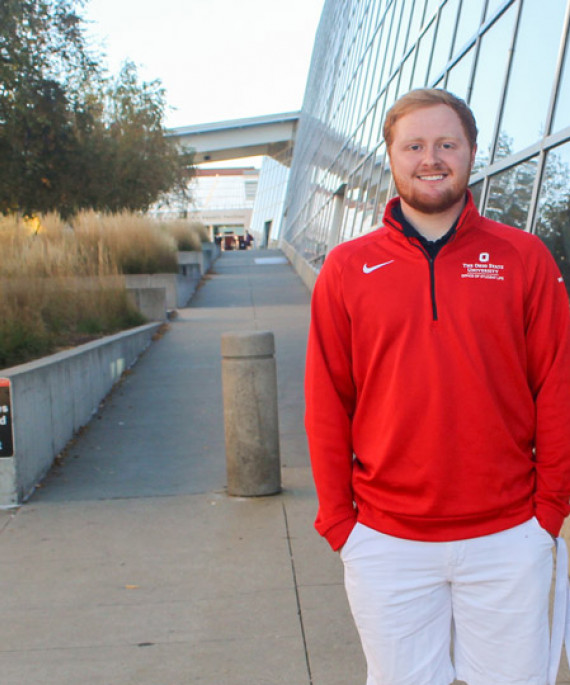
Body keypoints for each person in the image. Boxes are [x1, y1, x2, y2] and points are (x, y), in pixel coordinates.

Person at [304, 88, 570, 685]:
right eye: (415, 145)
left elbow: (557, 387)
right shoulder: (347, 268)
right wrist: (339, 522)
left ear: (472, 152)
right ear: (392, 157)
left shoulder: (522, 259)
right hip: (386, 540)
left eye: (446, 143)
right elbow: (327, 399)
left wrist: (549, 509)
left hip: (508, 537)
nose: (432, 158)